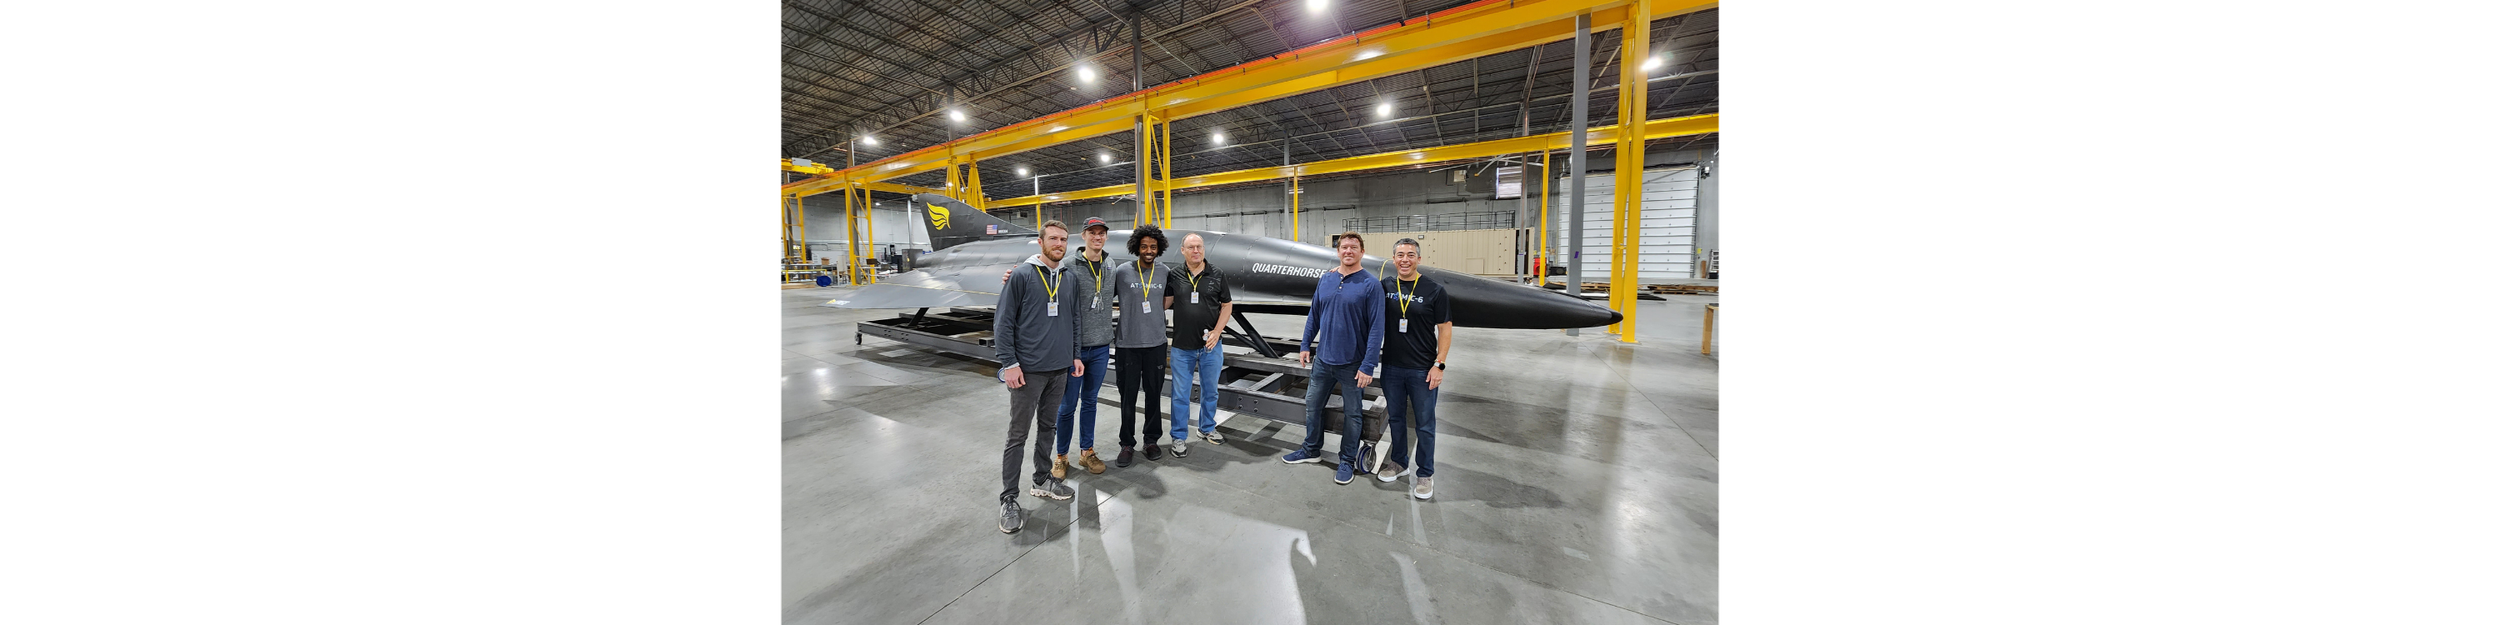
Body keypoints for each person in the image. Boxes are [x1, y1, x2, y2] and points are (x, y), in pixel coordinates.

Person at [992, 221, 1086, 534]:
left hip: (1059, 368)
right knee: (1017, 435)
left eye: (1063, 239)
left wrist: (1075, 355)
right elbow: (1003, 323)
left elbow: (1074, 318)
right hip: (1027, 371)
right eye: (1053, 239)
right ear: (1040, 242)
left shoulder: (1069, 277)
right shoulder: (1021, 275)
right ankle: (1008, 498)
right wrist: (1010, 363)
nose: (1059, 243)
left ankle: (1042, 478)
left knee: (1049, 426)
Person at [1282, 231, 1386, 485]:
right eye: (1343, 247)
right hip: (1323, 361)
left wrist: (1368, 365)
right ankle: (1311, 450)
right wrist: (1305, 344)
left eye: (1353, 247)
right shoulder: (1326, 279)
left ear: (1362, 252)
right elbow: (1314, 314)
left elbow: (1376, 328)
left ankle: (1347, 460)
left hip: (1353, 364)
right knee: (1312, 406)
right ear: (1338, 252)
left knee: (1353, 414)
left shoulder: (1371, 285)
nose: (1348, 251)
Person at [1375, 238, 1452, 500]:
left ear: (1418, 259)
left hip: (1422, 370)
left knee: (1425, 425)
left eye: (1410, 255)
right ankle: (1398, 463)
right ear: (1393, 259)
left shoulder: (1434, 290)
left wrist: (1439, 364)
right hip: (1392, 368)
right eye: (1399, 255)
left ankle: (1425, 474)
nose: (1404, 259)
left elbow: (1445, 329)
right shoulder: (1385, 286)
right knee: (1395, 419)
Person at [1050, 217, 1116, 478]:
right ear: (1084, 236)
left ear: (1105, 237)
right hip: (1074, 350)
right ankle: (1061, 456)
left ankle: (1086, 451)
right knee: (1067, 406)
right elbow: (1043, 281)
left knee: (1090, 402)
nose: (1097, 237)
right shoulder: (1068, 265)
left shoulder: (1111, 265)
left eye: (1101, 233)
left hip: (1100, 348)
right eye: (1092, 233)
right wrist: (1011, 277)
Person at [1165, 233, 1232, 458]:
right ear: (1182, 250)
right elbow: (1164, 302)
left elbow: (1227, 306)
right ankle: (1179, 436)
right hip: (1182, 347)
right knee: (1180, 394)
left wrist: (1217, 332)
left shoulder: (1217, 274)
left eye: (1199, 247)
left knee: (1210, 391)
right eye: (1191, 247)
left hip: (1210, 346)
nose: (1196, 250)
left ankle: (1207, 428)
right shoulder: (1173, 275)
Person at [1110, 224, 1173, 466]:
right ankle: (1127, 443)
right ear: (1137, 247)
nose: (1148, 250)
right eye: (1144, 246)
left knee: (1154, 395)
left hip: (1156, 343)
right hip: (1128, 344)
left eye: (1153, 247)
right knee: (1128, 397)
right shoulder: (1122, 272)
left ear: (1159, 249)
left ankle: (1151, 440)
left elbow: (1168, 300)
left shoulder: (1165, 271)